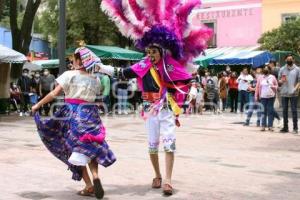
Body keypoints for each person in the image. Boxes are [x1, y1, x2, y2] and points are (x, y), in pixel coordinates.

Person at [100, 0, 211, 195]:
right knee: (152, 145)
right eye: (148, 51)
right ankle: (157, 175)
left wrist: (192, 90)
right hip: (149, 110)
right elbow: (122, 73)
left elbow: (187, 79)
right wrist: (100, 67)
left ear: (162, 51)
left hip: (167, 109)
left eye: (154, 51)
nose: (150, 54)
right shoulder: (143, 64)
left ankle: (168, 180)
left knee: (169, 143)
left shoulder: (169, 64)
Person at [31, 47, 116, 199]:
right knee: (90, 148)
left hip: (73, 114)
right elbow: (97, 94)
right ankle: (95, 176)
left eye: (73, 59)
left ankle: (89, 185)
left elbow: (53, 93)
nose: (72, 62)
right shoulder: (95, 78)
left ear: (78, 61)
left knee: (73, 150)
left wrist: (37, 105)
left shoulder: (69, 75)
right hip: (91, 115)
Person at [278, 55, 300, 134]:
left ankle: (295, 128)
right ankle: (285, 127)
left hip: (293, 93)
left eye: (291, 59)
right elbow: (279, 81)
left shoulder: (297, 69)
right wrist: (280, 81)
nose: (289, 60)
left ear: (293, 60)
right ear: (285, 60)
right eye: (288, 59)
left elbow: (299, 81)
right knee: (284, 111)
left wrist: (295, 88)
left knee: (294, 111)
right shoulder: (282, 69)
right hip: (284, 93)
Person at [255, 66, 278, 132]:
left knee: (270, 111)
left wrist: (272, 86)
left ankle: (270, 126)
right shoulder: (260, 77)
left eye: (267, 69)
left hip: (271, 96)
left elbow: (276, 86)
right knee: (263, 111)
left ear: (269, 70)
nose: (265, 70)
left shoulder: (272, 77)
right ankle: (263, 126)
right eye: (264, 69)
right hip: (263, 97)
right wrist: (256, 96)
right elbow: (257, 87)